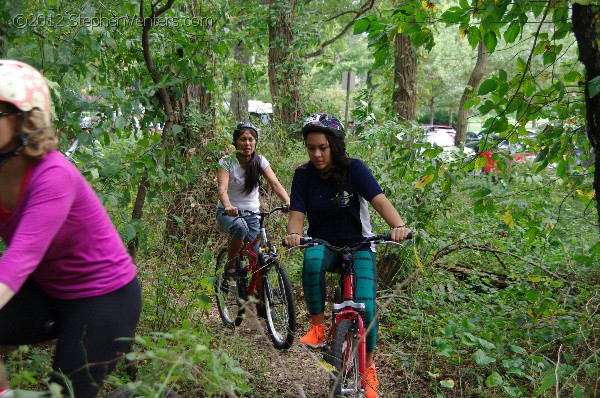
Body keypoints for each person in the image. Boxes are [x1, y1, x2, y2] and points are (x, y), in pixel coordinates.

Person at [0, 60, 142, 398]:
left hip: (103, 299)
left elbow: (20, 260)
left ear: (25, 119)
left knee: (64, 394)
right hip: (48, 292)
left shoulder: (53, 176)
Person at [283, 113, 411, 398]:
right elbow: (296, 215)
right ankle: (317, 327)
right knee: (312, 260)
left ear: (335, 146)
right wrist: (294, 234)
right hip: (323, 243)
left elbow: (379, 201)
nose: (316, 154)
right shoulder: (303, 175)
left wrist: (398, 226)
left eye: (323, 148)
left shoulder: (355, 170)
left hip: (360, 244)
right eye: (311, 148)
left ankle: (368, 368)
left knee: (366, 305)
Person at [216, 121, 290, 280]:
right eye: (243, 139)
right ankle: (231, 264)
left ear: (256, 141)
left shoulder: (260, 161)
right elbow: (222, 188)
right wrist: (228, 206)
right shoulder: (227, 162)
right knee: (239, 228)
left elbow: (275, 184)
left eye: (251, 139)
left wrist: (288, 201)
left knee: (258, 260)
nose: (247, 143)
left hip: (252, 215)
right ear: (235, 141)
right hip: (228, 213)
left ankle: (261, 302)